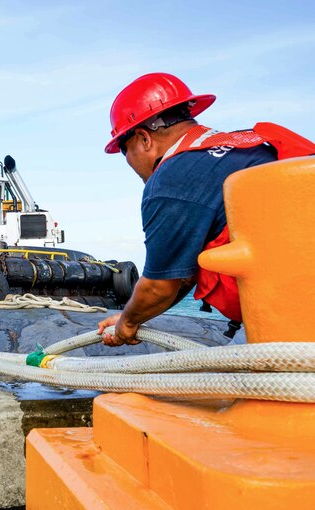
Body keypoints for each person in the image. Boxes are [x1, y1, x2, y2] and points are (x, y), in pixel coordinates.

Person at [97, 72, 315, 347]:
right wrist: (130, 316)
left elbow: (158, 286)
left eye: (123, 150)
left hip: (296, 323)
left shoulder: (169, 182)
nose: (127, 160)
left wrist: (126, 325)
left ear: (143, 139)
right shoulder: (251, 144)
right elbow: (179, 275)